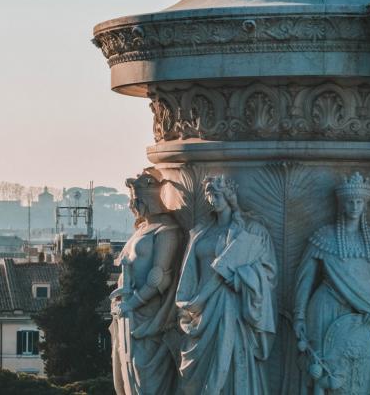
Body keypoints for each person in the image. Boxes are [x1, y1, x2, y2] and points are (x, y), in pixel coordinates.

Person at [292, 172, 370, 394]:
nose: (355, 206)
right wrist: (299, 315)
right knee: (322, 374)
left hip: (363, 321)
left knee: (359, 378)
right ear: (342, 204)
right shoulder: (324, 237)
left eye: (359, 201)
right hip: (325, 310)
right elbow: (305, 279)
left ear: (365, 205)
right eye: (350, 201)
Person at [175, 174, 276, 394]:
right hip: (200, 309)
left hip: (231, 308)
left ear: (229, 196)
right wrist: (189, 303)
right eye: (210, 194)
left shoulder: (249, 232)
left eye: (218, 194)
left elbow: (268, 273)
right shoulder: (201, 233)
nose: (213, 199)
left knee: (229, 366)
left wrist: (239, 278)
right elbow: (189, 274)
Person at [110, 169, 183, 395]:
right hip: (127, 313)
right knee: (124, 376)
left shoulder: (167, 231)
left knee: (145, 380)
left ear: (148, 201)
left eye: (135, 201)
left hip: (149, 316)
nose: (133, 207)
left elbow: (160, 277)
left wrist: (133, 303)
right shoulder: (142, 229)